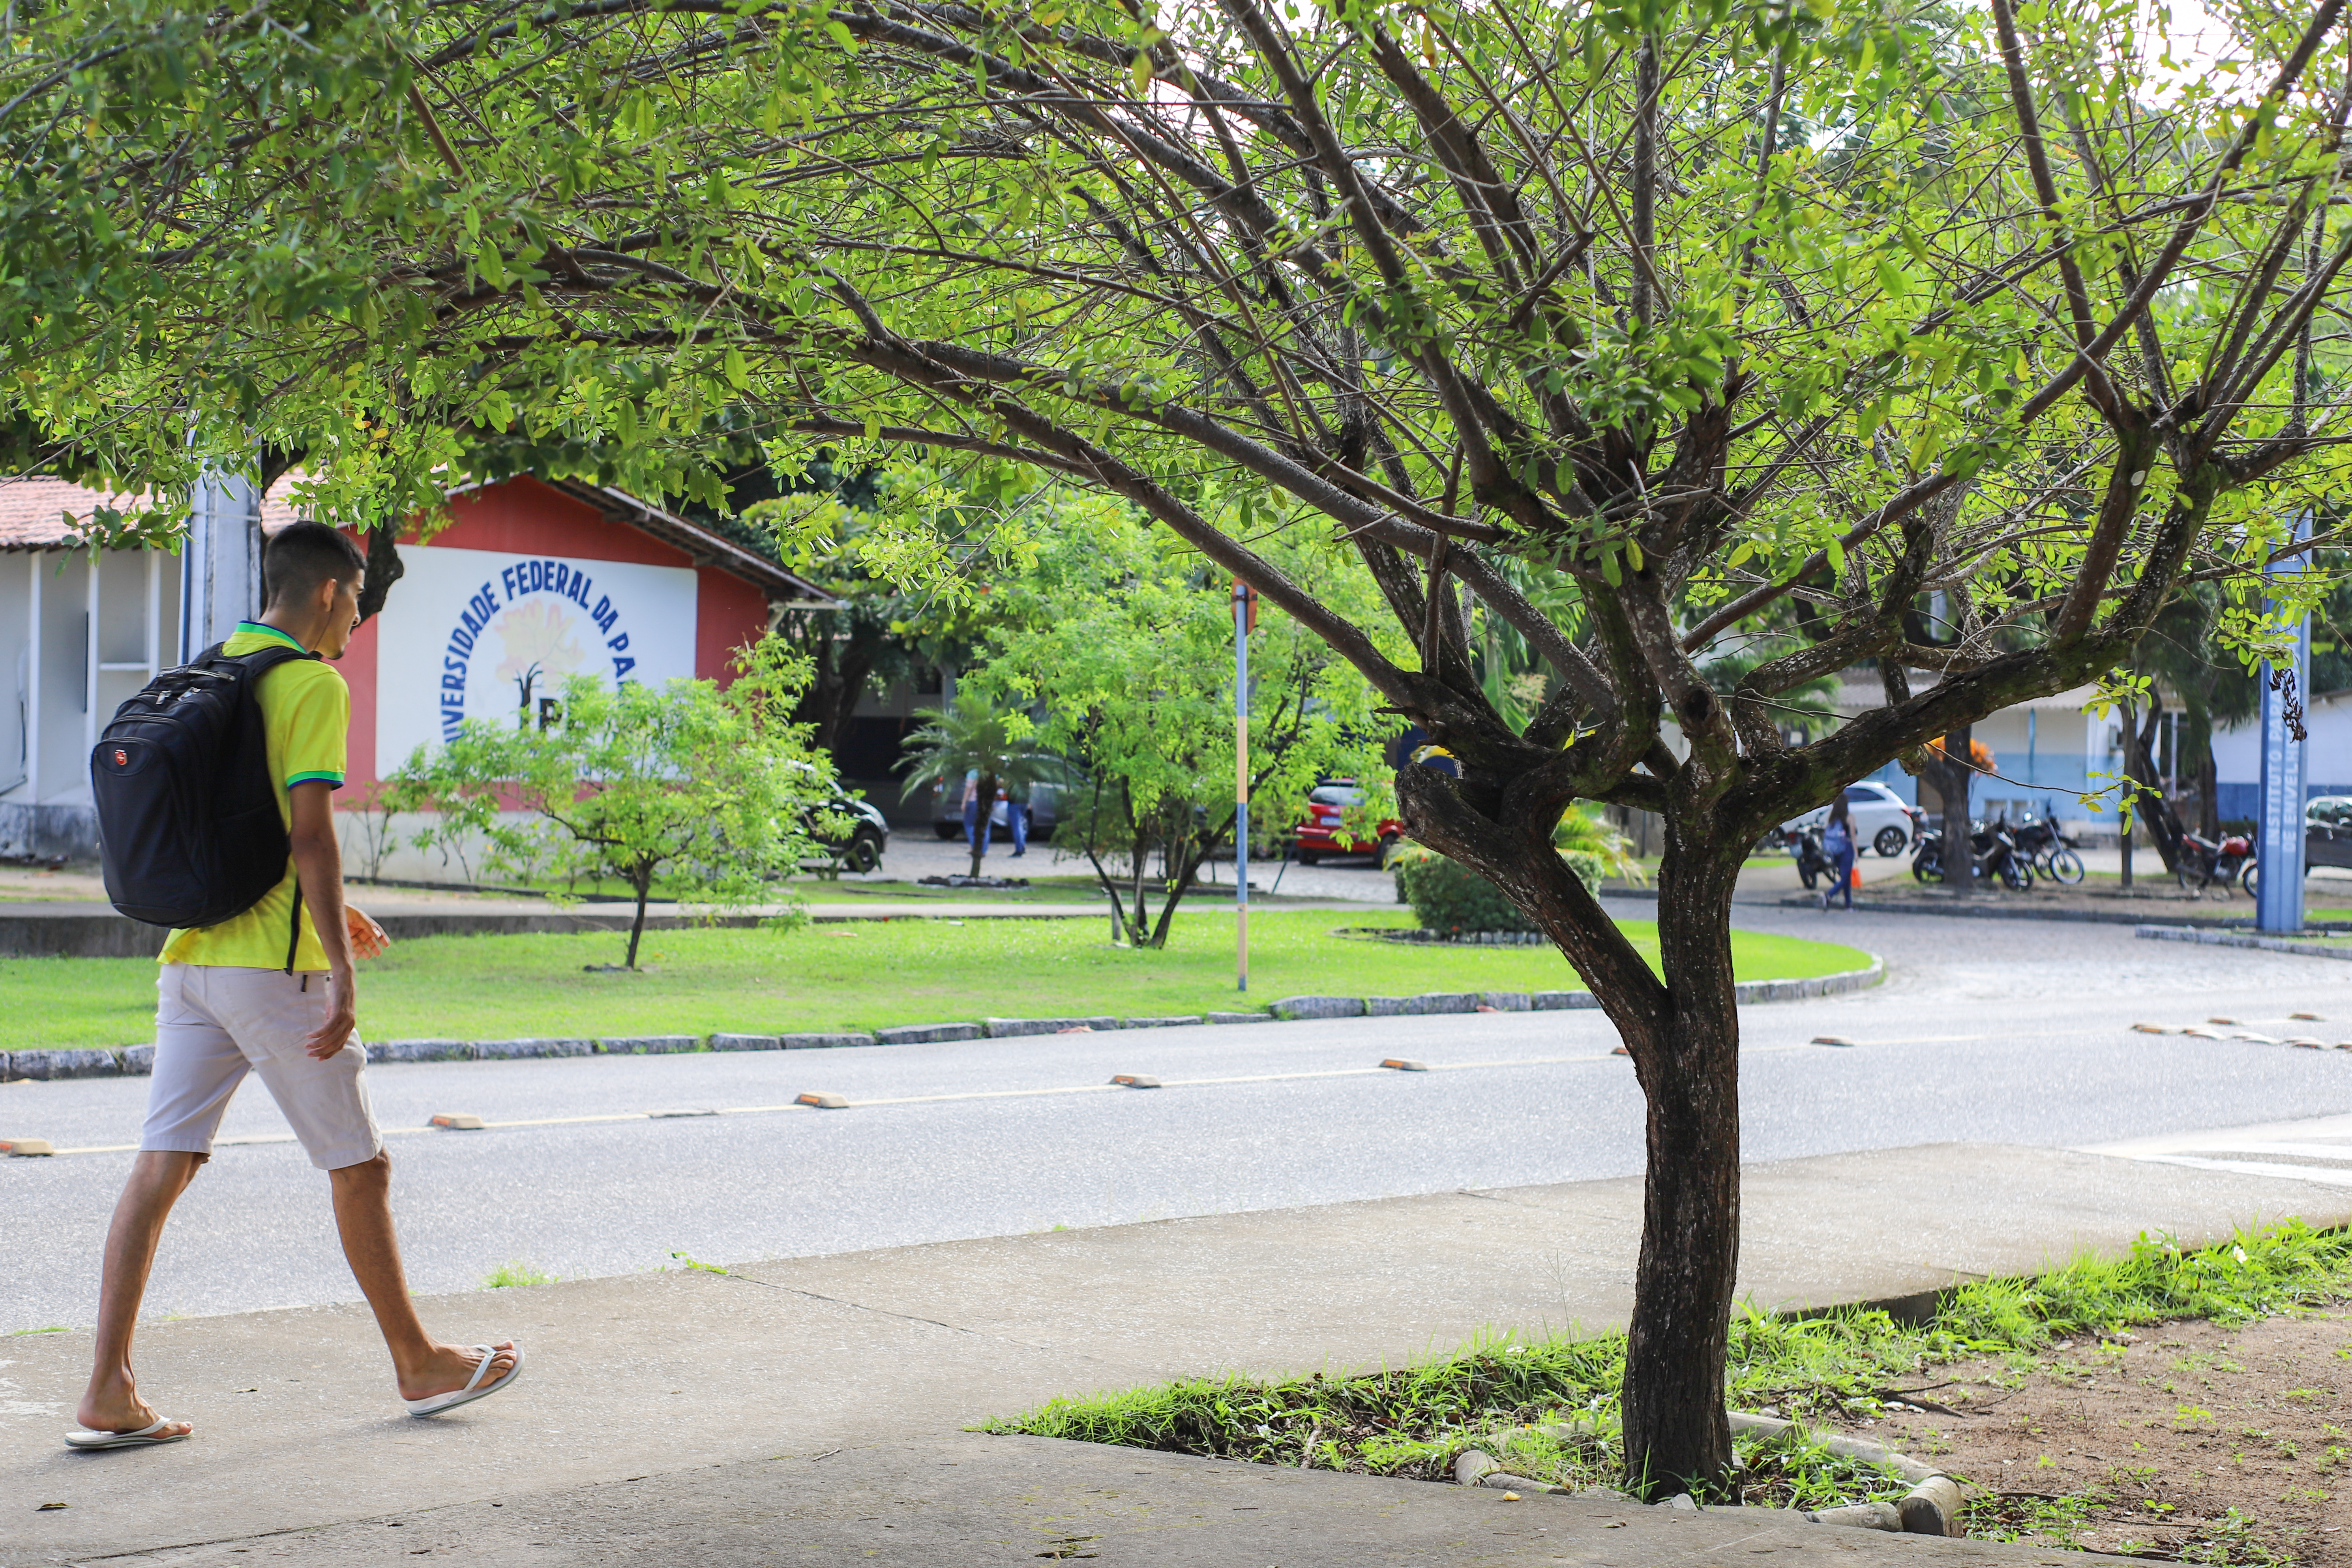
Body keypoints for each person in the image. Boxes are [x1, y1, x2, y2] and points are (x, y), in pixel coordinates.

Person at [68, 521, 521, 1452]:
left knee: (161, 1165)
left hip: (191, 961)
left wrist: (332, 912)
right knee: (360, 1164)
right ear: (327, 592)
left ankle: (108, 1387)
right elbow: (310, 833)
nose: (357, 618)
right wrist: (339, 968)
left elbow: (248, 827)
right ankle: (419, 1361)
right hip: (275, 974)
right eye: (357, 600)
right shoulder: (312, 683)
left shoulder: (215, 667)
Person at [1821, 796, 1856, 911]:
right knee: (1845, 878)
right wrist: (1856, 853)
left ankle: (1848, 904)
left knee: (1846, 877)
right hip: (1847, 849)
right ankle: (1829, 895)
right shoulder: (1849, 817)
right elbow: (1853, 836)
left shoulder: (1832, 818)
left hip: (1834, 851)